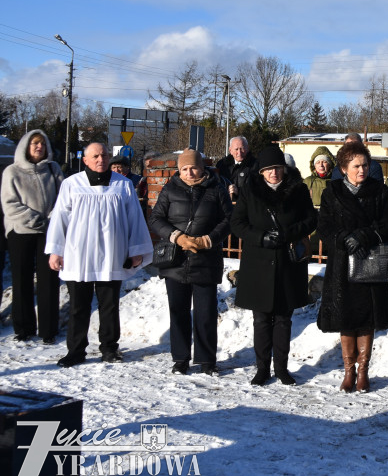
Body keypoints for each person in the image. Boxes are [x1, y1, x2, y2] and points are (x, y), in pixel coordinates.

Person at [45, 142, 153, 367]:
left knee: (109, 305)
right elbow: (60, 219)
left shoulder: (122, 185)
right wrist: (56, 250)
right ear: (85, 160)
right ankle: (75, 350)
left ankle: (109, 348)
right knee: (78, 306)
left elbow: (134, 218)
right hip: (78, 254)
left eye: (104, 155)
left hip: (112, 254)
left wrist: (136, 251)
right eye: (95, 156)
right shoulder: (71, 184)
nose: (100, 159)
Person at [230, 145, 317, 386]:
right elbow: (237, 224)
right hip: (258, 263)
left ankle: (281, 368)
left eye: (277, 168)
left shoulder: (297, 190)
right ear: (261, 172)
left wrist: (290, 233)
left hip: (288, 263)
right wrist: (261, 237)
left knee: (283, 319)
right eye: (268, 170)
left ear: (284, 169)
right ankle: (261, 369)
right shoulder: (250, 191)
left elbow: (311, 220)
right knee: (261, 320)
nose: (273, 174)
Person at [317, 142, 388, 392]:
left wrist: (363, 236)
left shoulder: (379, 191)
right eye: (356, 166)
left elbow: (386, 226)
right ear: (343, 168)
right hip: (342, 265)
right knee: (346, 318)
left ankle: (363, 371)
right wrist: (343, 239)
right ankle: (348, 371)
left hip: (369, 262)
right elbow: (324, 229)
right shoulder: (332, 192)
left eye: (365, 165)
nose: (362, 170)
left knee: (366, 319)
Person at [148, 149, 233, 376]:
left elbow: (229, 219)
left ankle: (207, 361)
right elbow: (156, 218)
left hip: (205, 259)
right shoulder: (170, 189)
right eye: (184, 168)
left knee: (205, 312)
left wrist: (209, 239)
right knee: (178, 311)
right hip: (176, 260)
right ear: (179, 169)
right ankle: (180, 358)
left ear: (202, 167)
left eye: (193, 167)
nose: (189, 172)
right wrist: (178, 237)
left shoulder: (216, 189)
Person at [2, 130, 63, 343]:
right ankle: (23, 328)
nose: (39, 147)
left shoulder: (53, 169)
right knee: (22, 280)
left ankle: (48, 330)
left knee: (49, 280)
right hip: (20, 231)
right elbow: (10, 204)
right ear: (25, 147)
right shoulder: (12, 172)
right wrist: (35, 219)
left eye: (42, 144)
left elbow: (62, 200)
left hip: (48, 232)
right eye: (34, 144)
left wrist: (52, 219)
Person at [303, 145, 336, 258]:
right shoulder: (307, 182)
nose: (321, 165)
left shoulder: (335, 182)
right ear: (314, 165)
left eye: (324, 162)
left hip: (330, 234)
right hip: (311, 235)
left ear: (330, 164)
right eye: (318, 162)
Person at [216, 136, 257, 201]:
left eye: (242, 149)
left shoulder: (256, 165)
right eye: (236, 149)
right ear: (230, 150)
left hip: (246, 206)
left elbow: (258, 190)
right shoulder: (221, 165)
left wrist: (238, 191)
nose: (239, 153)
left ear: (247, 148)